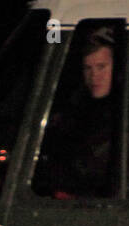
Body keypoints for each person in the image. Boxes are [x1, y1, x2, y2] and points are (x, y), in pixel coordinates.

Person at [34, 26, 122, 199]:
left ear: (116, 68)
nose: (94, 75)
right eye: (87, 68)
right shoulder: (78, 106)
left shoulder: (125, 114)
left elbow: (86, 168)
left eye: (101, 67)